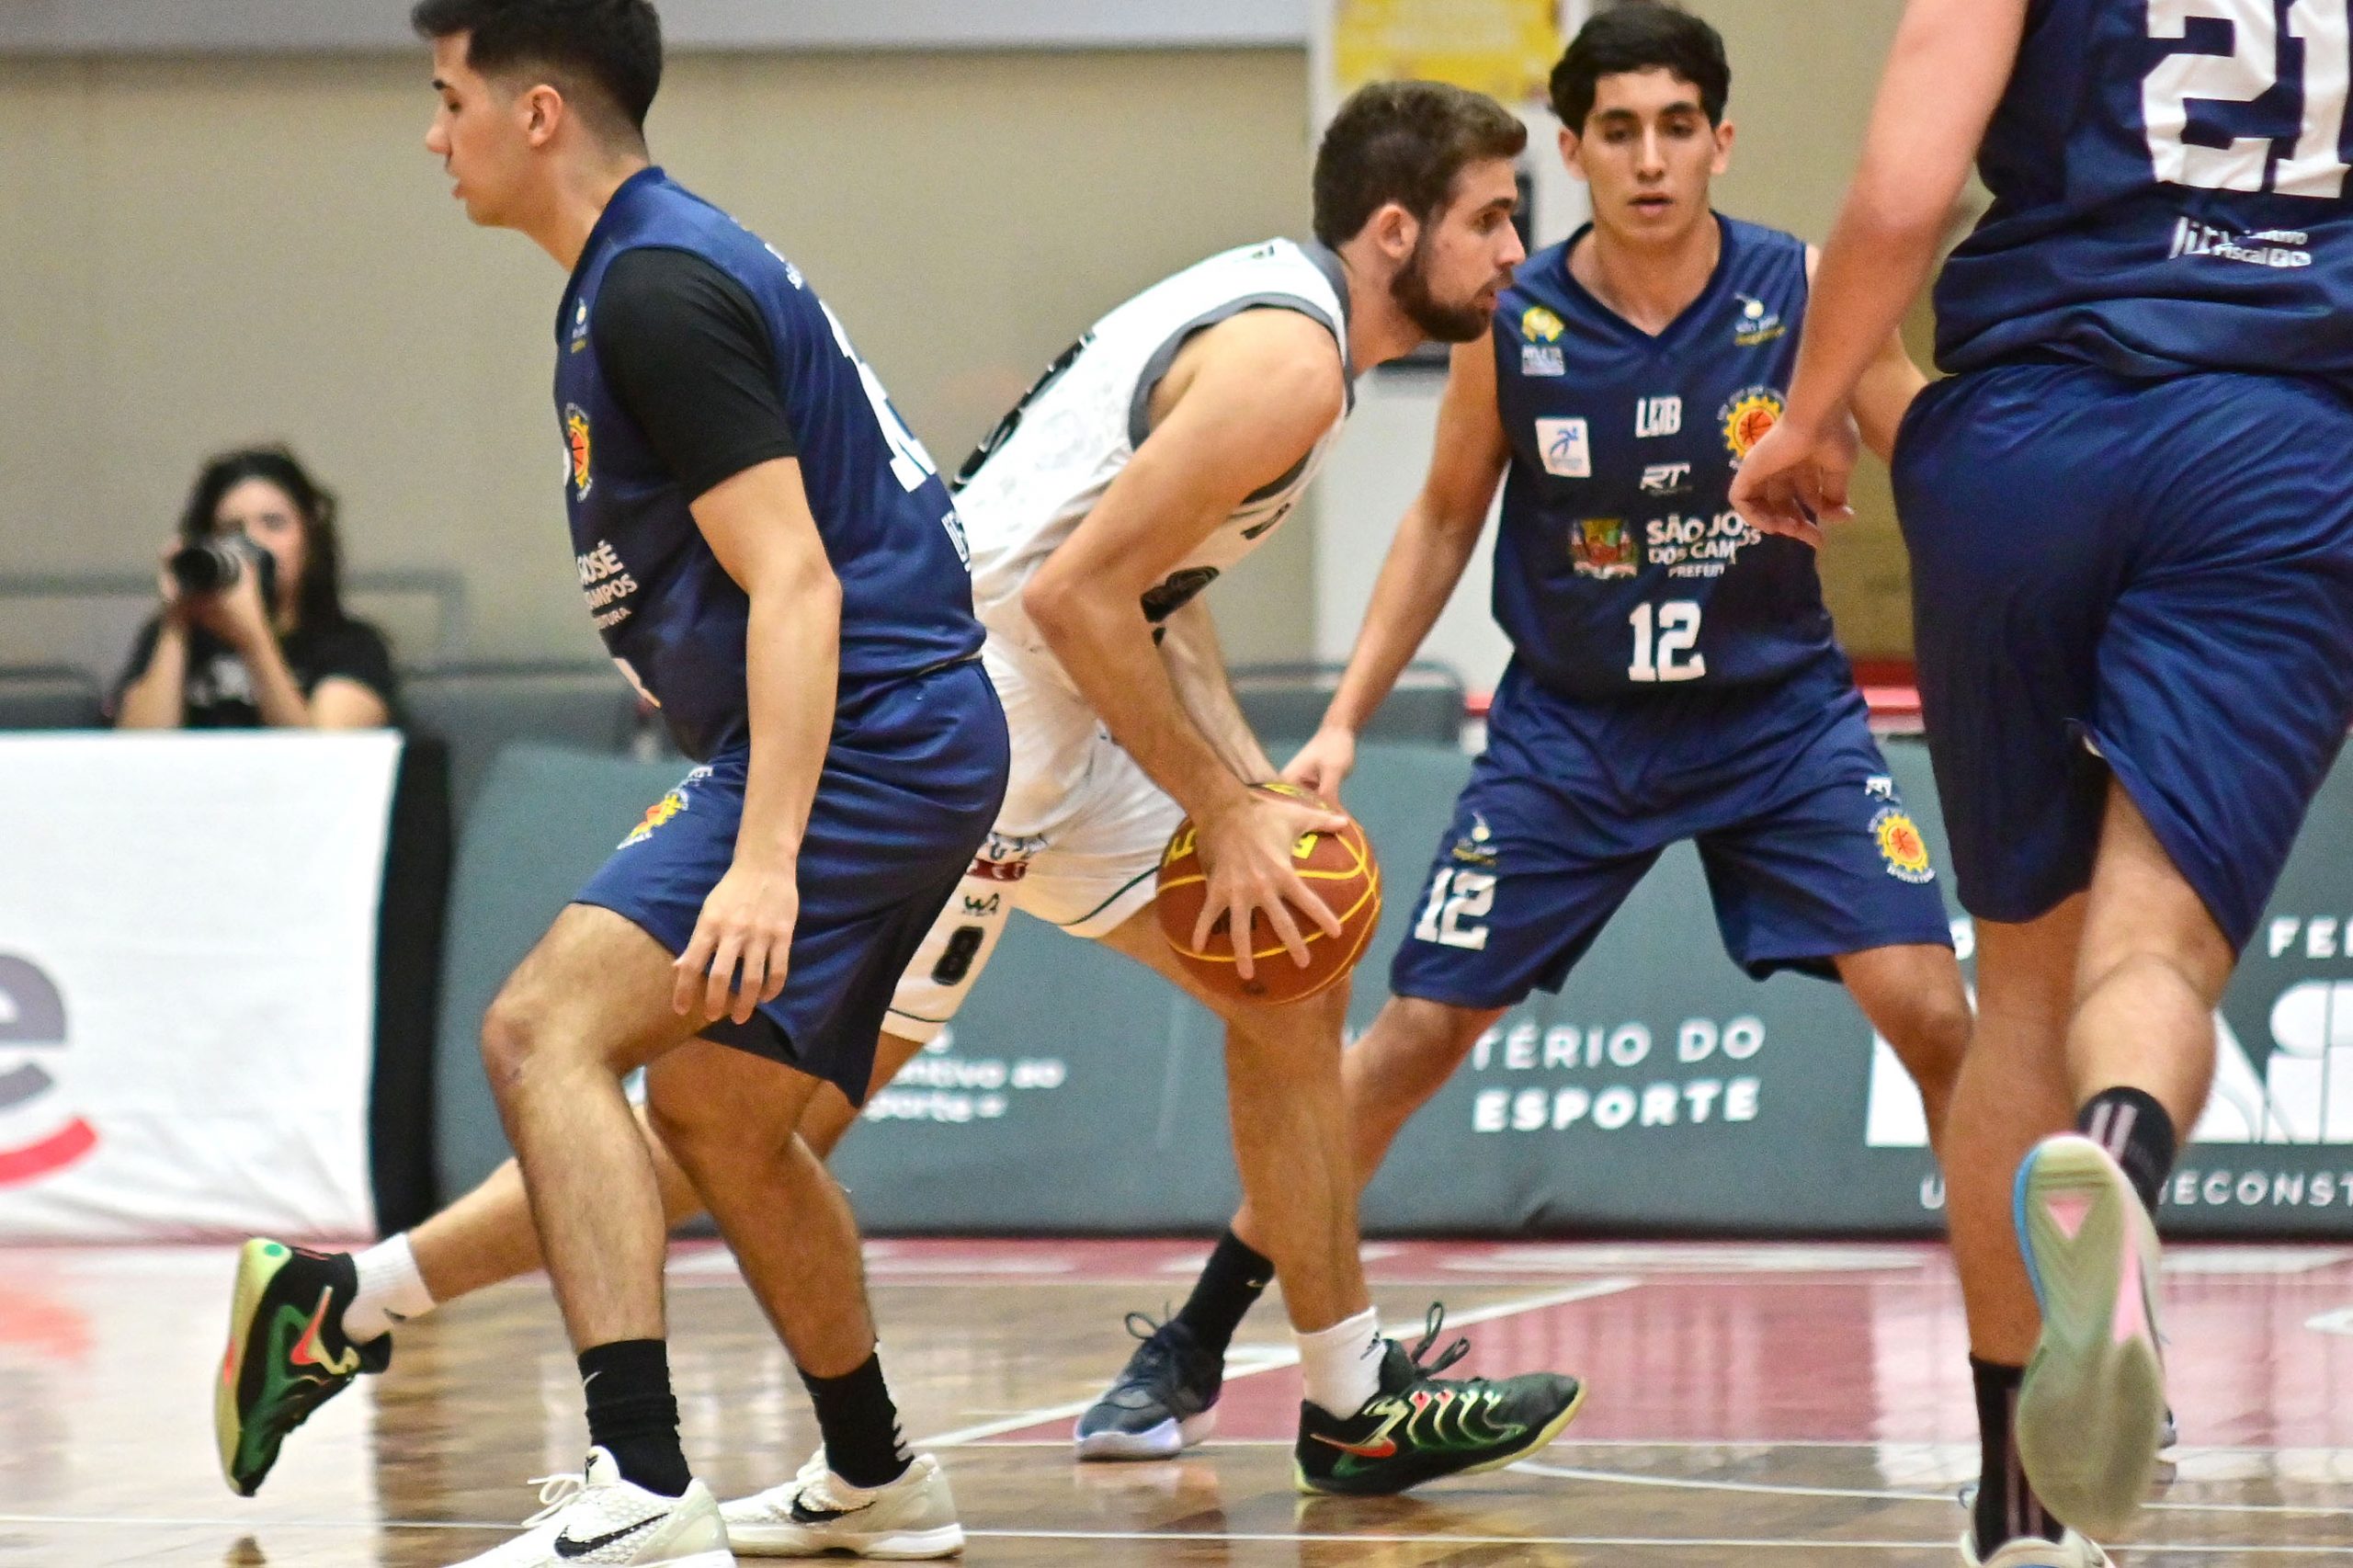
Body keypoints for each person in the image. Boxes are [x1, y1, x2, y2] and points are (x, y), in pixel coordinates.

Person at [212, 72, 1586, 1525]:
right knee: (744, 1128)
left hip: (1055, 722)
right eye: (1494, 219)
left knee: (1289, 972)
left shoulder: (1280, 325)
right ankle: (359, 1302)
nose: (1518, 250)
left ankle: (1348, 1396)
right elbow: (1078, 596)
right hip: (965, 735)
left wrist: (1243, 791)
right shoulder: (1290, 363)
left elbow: (1159, 586)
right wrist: (1225, 807)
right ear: (1394, 232)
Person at [1105, 0, 1973, 1467]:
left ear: (1721, 140)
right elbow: (1444, 517)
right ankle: (1196, 1334)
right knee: (1410, 1038)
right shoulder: (1518, 318)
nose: (1650, 159)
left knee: (1938, 1017)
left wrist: (2052, 589)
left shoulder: (1803, 289)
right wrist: (1344, 720)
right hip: (1574, 732)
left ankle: (2044, 1358)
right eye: (1618, 131)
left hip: (1778, 722)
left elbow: (1943, 460)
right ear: (1573, 152)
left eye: (1677, 127)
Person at [217, 2, 1012, 1563]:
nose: (431, 135)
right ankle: (878, 1474)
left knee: (540, 1030)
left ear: (536, 114)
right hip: (906, 732)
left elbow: (800, 581)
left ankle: (641, 1482)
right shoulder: (644, 270)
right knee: (721, 1114)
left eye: (448, 98)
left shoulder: (655, 286)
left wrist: (765, 857)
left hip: (872, 731)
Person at [1730, 0, 2353, 1562]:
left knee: (2019, 987)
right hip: (2278, 438)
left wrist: (1810, 414)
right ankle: (2121, 1162)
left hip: (2022, 438)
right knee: (2156, 951)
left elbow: (1899, 193)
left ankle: (2019, 1511)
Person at [113, 446, 398, 731]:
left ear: (309, 538)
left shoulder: (352, 646)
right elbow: (137, 747)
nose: (252, 542)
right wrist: (177, 618)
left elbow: (316, 752)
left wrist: (252, 636)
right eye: (231, 529)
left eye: (273, 524)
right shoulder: (171, 636)